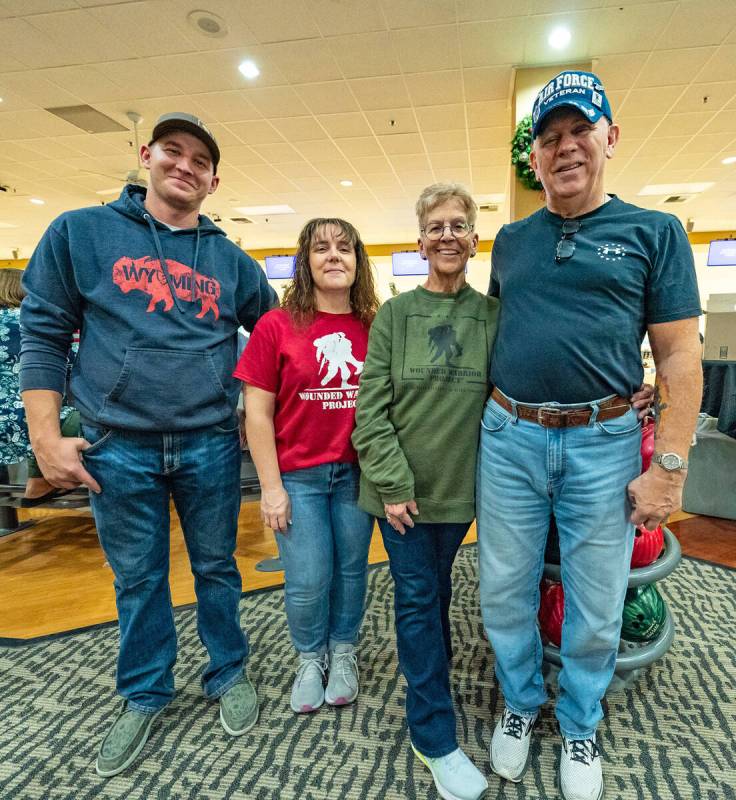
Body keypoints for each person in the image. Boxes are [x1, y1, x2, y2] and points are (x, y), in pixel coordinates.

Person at [19, 112, 277, 778]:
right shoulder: (80, 233)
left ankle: (228, 671)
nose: (184, 165)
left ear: (214, 180)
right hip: (117, 444)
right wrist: (46, 438)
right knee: (138, 579)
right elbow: (42, 337)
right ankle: (144, 692)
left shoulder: (231, 261)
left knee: (217, 567)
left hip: (210, 444)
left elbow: (277, 336)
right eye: (173, 151)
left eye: (199, 159)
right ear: (146, 155)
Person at [477, 71, 702, 800]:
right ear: (533, 158)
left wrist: (668, 464)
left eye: (580, 132)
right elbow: (496, 337)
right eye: (549, 138)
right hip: (510, 436)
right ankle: (518, 704)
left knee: (597, 601)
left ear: (609, 138)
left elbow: (676, 355)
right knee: (503, 587)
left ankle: (579, 721)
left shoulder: (654, 232)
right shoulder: (510, 242)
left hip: (604, 444)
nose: (566, 148)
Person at [352, 183, 499, 800]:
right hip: (401, 495)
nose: (447, 235)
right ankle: (433, 734)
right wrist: (392, 484)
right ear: (419, 242)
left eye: (458, 225)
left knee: (438, 595)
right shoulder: (394, 314)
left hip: (466, 491)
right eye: (435, 226)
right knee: (417, 599)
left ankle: (430, 681)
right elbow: (369, 411)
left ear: (472, 240)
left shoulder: (491, 316)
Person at [235, 218, 379, 714]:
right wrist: (270, 489)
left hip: (357, 475)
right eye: (322, 248)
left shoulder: (374, 323)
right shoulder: (277, 325)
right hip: (299, 476)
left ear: (358, 261)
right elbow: (257, 413)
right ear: (306, 261)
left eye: (344, 248)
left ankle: (343, 653)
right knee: (308, 578)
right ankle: (309, 658)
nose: (334, 256)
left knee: (352, 571)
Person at [0, 268, 79, 503]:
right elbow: (73, 363)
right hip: (26, 423)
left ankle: (39, 482)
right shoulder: (30, 322)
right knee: (78, 416)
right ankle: (44, 480)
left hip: (6, 426)